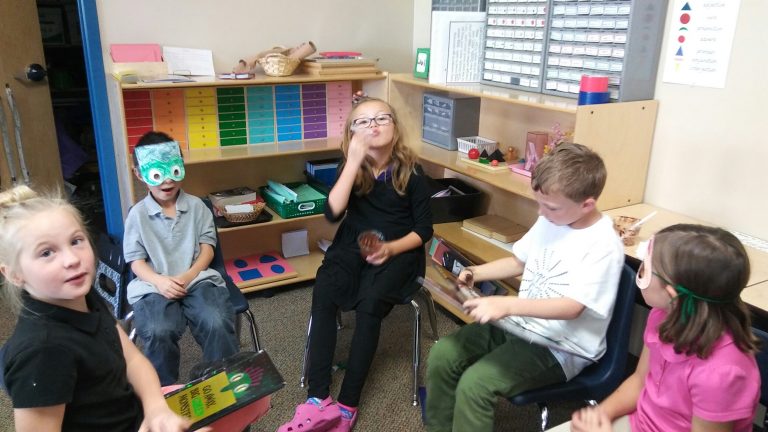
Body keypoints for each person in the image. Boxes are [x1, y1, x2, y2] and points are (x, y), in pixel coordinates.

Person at [425, 143, 625, 432]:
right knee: (443, 354)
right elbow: (518, 261)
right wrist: (474, 272)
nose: (541, 212)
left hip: (560, 347)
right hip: (520, 324)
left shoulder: (604, 245)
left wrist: (507, 304)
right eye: (539, 203)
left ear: (587, 204)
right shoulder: (553, 217)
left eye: (550, 207)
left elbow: (572, 307)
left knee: (475, 384)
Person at [277, 97, 433, 432]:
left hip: (399, 249)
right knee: (325, 289)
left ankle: (348, 404)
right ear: (351, 133)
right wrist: (353, 161)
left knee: (370, 301)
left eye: (381, 118)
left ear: (395, 128)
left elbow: (424, 231)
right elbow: (333, 213)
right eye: (362, 121)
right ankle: (318, 398)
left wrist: (390, 249)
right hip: (351, 244)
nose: (373, 125)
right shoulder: (350, 166)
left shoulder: (413, 172)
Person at [0, 185, 196, 432]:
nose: (72, 260)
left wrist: (156, 408)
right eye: (46, 253)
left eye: (76, 241)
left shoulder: (81, 295)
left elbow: (132, 359)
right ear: (14, 274)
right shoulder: (41, 353)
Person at [563, 224, 760, 432]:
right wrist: (601, 414)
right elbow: (640, 381)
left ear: (672, 296)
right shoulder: (662, 316)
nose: (640, 271)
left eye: (646, 269)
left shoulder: (719, 374)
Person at [124, 131, 239, 386]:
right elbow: (135, 261)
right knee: (158, 330)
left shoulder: (198, 207)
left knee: (216, 321)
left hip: (197, 278)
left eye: (173, 169)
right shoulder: (137, 215)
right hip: (154, 285)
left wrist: (188, 276)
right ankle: (163, 391)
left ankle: (223, 383)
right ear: (139, 173)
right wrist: (160, 281)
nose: (167, 180)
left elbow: (208, 249)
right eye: (157, 173)